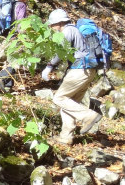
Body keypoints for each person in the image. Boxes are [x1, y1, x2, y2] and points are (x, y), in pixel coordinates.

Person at [41, 9, 102, 145]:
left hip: (80, 70)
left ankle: (88, 116)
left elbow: (60, 51)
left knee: (59, 98)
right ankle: (66, 137)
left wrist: (49, 66)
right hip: (88, 70)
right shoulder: (74, 30)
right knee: (69, 103)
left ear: (59, 23)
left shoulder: (68, 30)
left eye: (52, 24)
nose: (51, 27)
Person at [0, 0, 31, 93]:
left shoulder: (8, 4)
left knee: (5, 61)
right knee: (15, 61)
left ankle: (7, 87)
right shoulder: (21, 5)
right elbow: (20, 22)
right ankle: (2, 78)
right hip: (14, 37)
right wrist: (24, 37)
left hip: (2, 36)